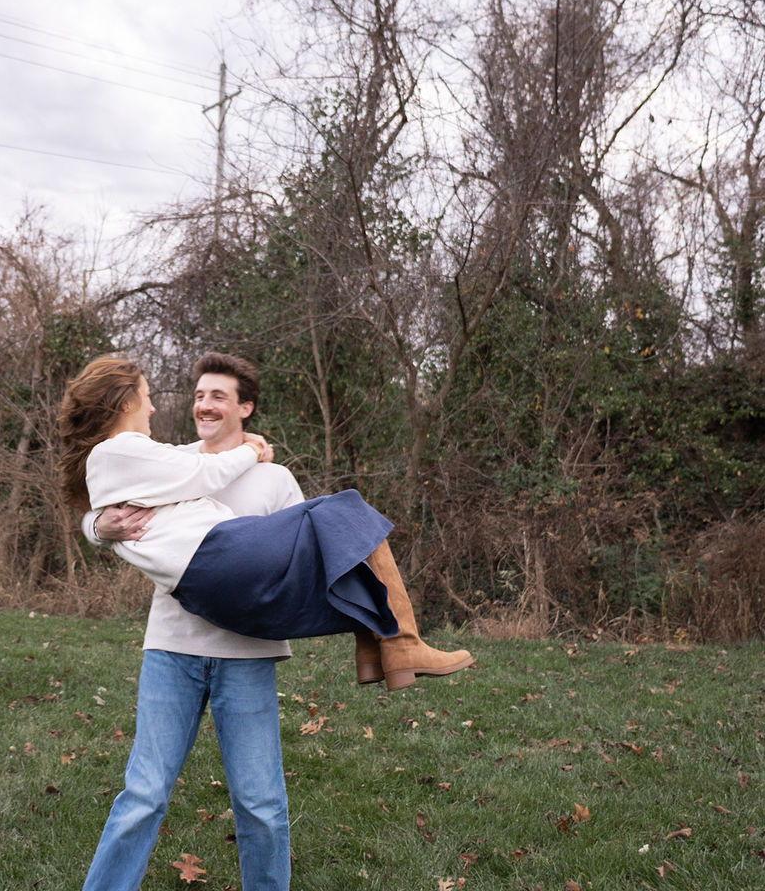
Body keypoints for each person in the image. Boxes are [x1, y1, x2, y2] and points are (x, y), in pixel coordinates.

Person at [62, 354, 474, 891]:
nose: (202, 405)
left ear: (246, 408)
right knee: (143, 794)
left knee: (261, 804)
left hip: (247, 651)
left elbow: (305, 560)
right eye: (198, 395)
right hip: (174, 647)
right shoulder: (173, 458)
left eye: (218, 396)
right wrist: (98, 526)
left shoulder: (273, 478)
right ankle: (398, 645)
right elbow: (107, 489)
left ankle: (391, 645)